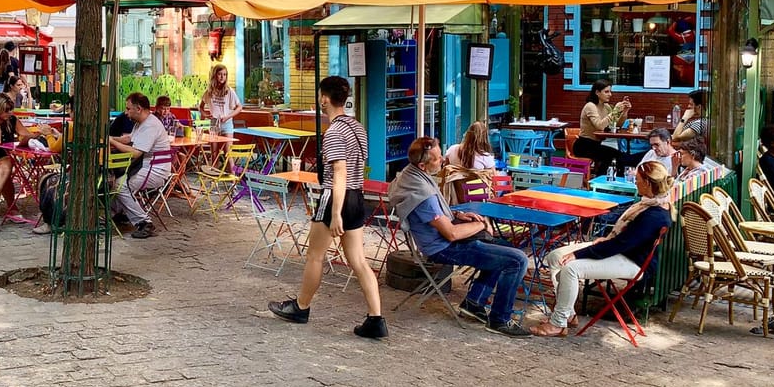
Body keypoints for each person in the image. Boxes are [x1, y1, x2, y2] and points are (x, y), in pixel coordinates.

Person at [268, 76, 386, 340]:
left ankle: (301, 307)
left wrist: (335, 213)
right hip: (356, 196)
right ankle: (376, 318)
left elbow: (339, 172)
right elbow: (358, 167)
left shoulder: (334, 132)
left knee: (315, 255)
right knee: (358, 260)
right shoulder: (358, 128)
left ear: (324, 99)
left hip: (335, 197)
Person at [389, 137, 532, 338]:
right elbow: (451, 233)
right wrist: (481, 224)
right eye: (438, 158)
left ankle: (474, 302)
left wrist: (456, 214)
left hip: (441, 239)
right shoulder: (423, 194)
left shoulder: (410, 175)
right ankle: (500, 319)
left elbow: (436, 215)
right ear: (422, 165)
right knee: (517, 260)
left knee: (503, 248)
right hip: (443, 248)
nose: (443, 160)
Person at [531, 160, 674, 337]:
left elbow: (619, 245)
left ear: (647, 183)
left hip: (634, 261)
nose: (635, 182)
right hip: (621, 249)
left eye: (637, 179)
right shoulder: (649, 203)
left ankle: (558, 323)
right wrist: (603, 241)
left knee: (570, 268)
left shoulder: (654, 214)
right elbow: (621, 240)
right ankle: (568, 313)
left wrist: (579, 254)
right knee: (555, 257)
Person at [107, 92, 171, 239]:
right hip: (144, 167)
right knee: (117, 181)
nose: (126, 112)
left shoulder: (150, 125)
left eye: (128, 109)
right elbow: (129, 139)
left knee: (120, 186)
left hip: (155, 170)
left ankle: (144, 222)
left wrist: (112, 141)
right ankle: (117, 213)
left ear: (139, 109)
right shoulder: (141, 122)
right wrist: (109, 138)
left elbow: (136, 152)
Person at [573, 79, 631, 176]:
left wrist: (624, 111)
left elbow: (616, 125)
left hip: (596, 145)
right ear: (597, 92)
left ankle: (609, 179)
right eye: (606, 92)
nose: (610, 94)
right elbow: (600, 126)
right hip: (584, 146)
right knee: (612, 156)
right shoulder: (590, 106)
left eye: (610, 91)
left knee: (618, 156)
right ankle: (600, 180)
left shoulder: (606, 107)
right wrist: (615, 111)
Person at [200, 64, 242, 135]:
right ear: (215, 75)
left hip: (227, 123)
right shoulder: (209, 91)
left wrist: (228, 117)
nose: (222, 77)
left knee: (228, 142)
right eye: (220, 74)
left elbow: (239, 107)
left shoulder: (229, 90)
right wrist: (205, 115)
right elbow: (201, 107)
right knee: (214, 142)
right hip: (214, 122)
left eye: (224, 74)